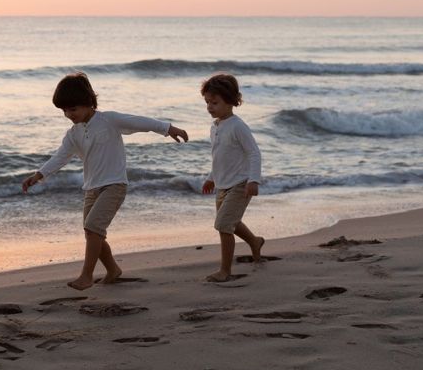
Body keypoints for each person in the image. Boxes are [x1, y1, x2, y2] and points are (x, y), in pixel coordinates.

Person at [22, 72, 189, 291]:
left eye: (73, 109)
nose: (68, 114)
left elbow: (140, 122)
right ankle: (113, 270)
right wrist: (39, 175)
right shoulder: (73, 133)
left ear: (89, 103)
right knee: (91, 232)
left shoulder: (109, 120)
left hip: (114, 185)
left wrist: (168, 128)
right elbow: (60, 156)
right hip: (91, 188)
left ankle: (86, 275)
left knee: (93, 228)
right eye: (64, 111)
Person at [200, 73, 264, 282]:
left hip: (240, 183)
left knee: (223, 225)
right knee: (231, 223)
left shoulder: (237, 126)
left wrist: (253, 180)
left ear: (230, 101)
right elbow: (219, 157)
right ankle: (255, 242)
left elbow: (254, 153)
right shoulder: (215, 126)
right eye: (207, 102)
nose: (210, 106)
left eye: (215, 102)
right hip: (222, 185)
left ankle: (225, 270)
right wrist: (211, 177)